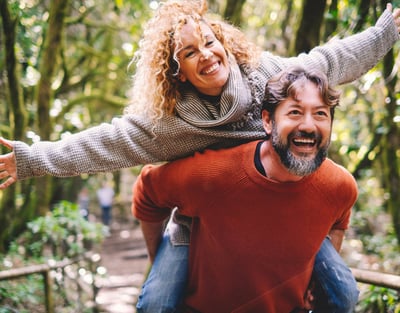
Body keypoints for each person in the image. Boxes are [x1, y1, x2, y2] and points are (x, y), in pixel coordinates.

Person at [0, 0, 398, 310]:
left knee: (344, 291)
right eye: (190, 54)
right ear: (178, 73)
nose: (206, 54)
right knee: (156, 302)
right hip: (201, 223)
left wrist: (384, 34)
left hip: (283, 211)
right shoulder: (170, 123)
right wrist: (31, 159)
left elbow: (329, 61)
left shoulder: (267, 77)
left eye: (210, 42)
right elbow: (105, 143)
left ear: (225, 44)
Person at [132, 67, 358, 312]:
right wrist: (158, 260)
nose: (309, 125)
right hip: (203, 303)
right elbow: (148, 191)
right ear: (268, 121)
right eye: (294, 112)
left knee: (345, 295)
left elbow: (338, 220)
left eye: (321, 114)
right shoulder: (213, 175)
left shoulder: (339, 186)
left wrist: (317, 277)